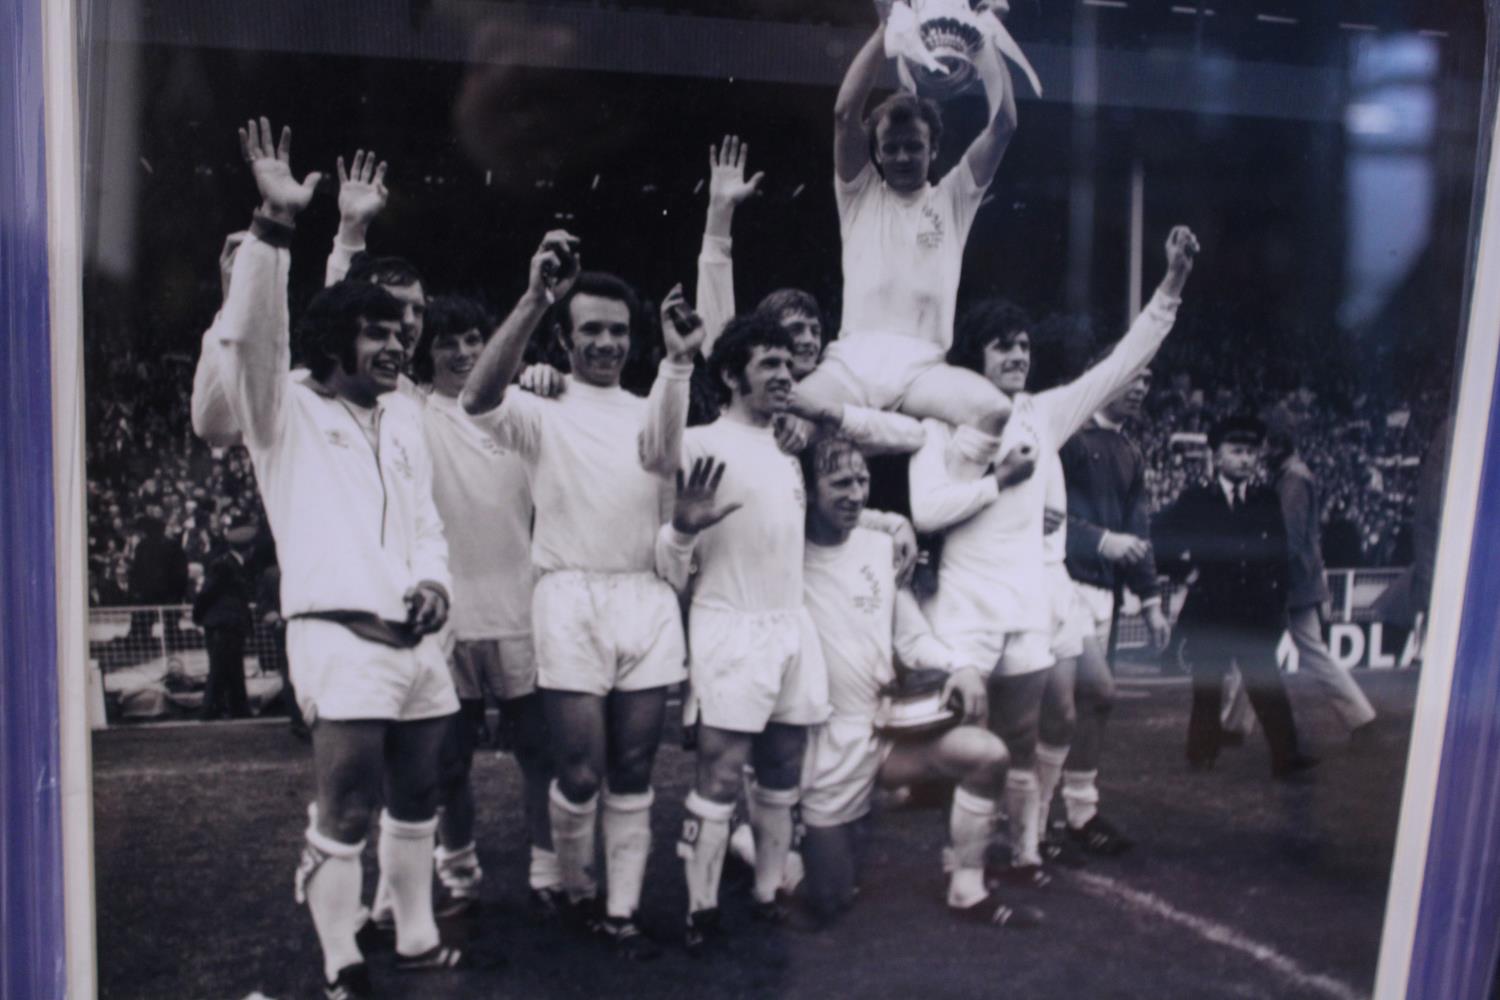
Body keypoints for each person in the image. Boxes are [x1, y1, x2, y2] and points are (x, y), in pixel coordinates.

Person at [219, 118, 467, 997]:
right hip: (338, 636)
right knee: (349, 804)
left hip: (418, 642)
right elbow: (261, 337)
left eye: (406, 329)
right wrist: (277, 229)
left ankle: (413, 932)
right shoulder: (279, 409)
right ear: (336, 342)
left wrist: (435, 580)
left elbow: (427, 523)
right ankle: (341, 956)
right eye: (379, 330)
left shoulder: (402, 414)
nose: (400, 342)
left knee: (420, 796)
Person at [909, 226, 1196, 888]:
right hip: (964, 599)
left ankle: (1025, 854)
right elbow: (928, 512)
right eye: (1001, 345)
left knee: (1018, 738)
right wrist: (997, 483)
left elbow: (1123, 361)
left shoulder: (1045, 412)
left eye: (1023, 344)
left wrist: (1171, 286)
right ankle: (960, 858)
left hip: (1027, 598)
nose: (1016, 354)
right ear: (974, 358)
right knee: (967, 738)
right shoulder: (940, 420)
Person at [460, 241, 700, 960]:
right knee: (581, 772)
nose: (606, 342)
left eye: (618, 330)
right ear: (567, 338)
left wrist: (679, 361)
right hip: (567, 598)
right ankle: (574, 885)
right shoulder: (542, 403)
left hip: (645, 598)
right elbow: (475, 399)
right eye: (591, 329)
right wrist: (535, 296)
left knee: (632, 770)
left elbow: (665, 490)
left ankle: (621, 911)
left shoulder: (655, 404)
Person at [793, 434, 1041, 928]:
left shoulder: (878, 548)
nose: (855, 494)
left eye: (862, 480)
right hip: (820, 742)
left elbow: (912, 639)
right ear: (808, 489)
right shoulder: (785, 555)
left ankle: (967, 888)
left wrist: (961, 666)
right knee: (830, 899)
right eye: (839, 482)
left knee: (986, 755)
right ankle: (758, 844)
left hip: (881, 732)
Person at [790, 8, 1018, 435]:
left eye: (913, 147)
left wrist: (984, 41)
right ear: (876, 152)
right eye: (890, 148)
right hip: (851, 363)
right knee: (789, 425)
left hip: (923, 367)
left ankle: (943, 493)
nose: (901, 157)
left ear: (933, 151)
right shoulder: (859, 194)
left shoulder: (953, 197)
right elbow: (844, 114)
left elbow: (1004, 125)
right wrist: (885, 30)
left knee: (996, 414)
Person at [408, 294, 560, 917]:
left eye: (475, 339)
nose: (464, 352)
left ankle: (549, 873)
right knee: (449, 762)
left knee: (539, 754)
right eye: (449, 342)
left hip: (521, 608)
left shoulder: (520, 408)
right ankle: (460, 877)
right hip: (450, 615)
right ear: (429, 351)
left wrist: (550, 378)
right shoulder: (412, 412)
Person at [1046, 365, 1174, 856]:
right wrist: (1101, 541)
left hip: (1103, 596)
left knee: (1095, 702)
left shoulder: (1130, 452)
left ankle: (1080, 813)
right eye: (1132, 379)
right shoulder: (1071, 439)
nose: (1141, 388)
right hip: (1060, 584)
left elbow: (1138, 531)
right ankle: (1030, 817)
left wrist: (1151, 602)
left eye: (1147, 380)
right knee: (1056, 705)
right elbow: (1045, 517)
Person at [1153, 415, 1318, 779]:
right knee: (1207, 686)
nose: (1245, 459)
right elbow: (1158, 539)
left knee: (1267, 686)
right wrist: (1186, 573)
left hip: (1254, 613)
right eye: (1237, 451)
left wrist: (1277, 610)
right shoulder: (1196, 500)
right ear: (1216, 456)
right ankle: (1202, 753)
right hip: (1210, 610)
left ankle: (1286, 757)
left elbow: (1277, 558)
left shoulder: (1264, 500)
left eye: (1251, 452)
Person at [1255, 408, 1377, 737]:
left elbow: (1289, 539)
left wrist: (1266, 576)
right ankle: (1361, 717)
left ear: (1278, 442)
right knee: (1297, 650)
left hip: (1289, 582)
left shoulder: (1293, 478)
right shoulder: (1293, 475)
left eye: (1264, 443)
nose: (1260, 450)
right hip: (1298, 580)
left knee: (1260, 648)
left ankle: (1233, 725)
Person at [192, 514, 258, 720]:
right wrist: (199, 616)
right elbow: (207, 593)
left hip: (225, 624)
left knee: (230, 667)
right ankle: (211, 710)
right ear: (249, 548)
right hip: (223, 624)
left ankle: (236, 708)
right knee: (222, 668)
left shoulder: (227, 564)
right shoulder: (225, 566)